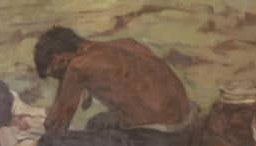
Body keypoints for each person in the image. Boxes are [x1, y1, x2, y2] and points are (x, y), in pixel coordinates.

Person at [33, 26, 192, 133]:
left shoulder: (78, 66)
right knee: (97, 122)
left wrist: (64, 79)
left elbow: (56, 127)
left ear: (57, 60)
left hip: (157, 133)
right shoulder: (127, 44)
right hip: (185, 122)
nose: (62, 80)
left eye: (57, 76)